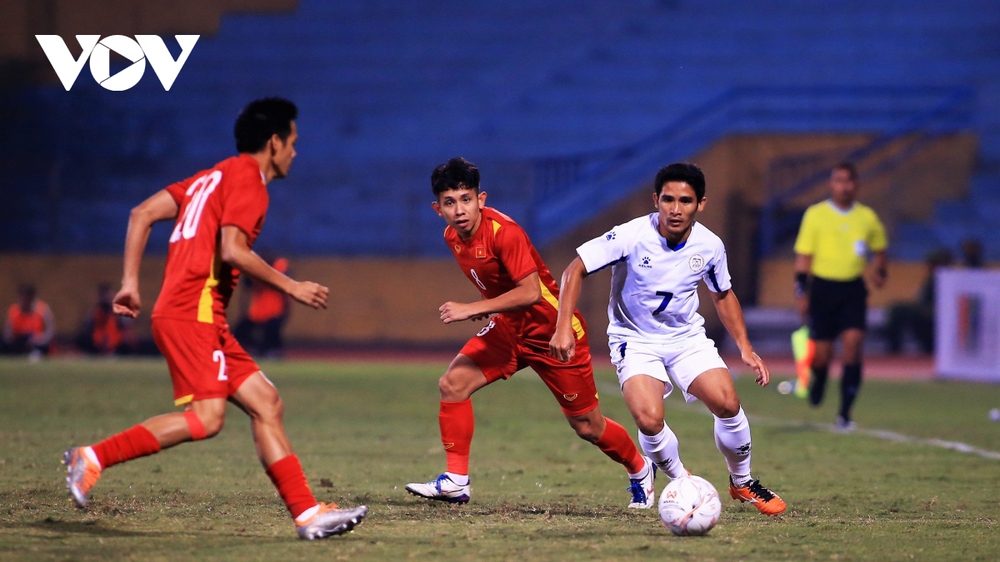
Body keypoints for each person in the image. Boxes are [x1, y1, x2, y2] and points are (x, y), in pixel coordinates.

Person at [61, 97, 366, 540]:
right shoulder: (249, 181)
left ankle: (307, 514)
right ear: (274, 141)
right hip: (193, 312)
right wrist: (291, 286)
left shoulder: (211, 176)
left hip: (201, 313)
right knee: (207, 419)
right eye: (293, 142)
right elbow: (232, 250)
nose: (296, 152)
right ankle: (91, 457)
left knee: (266, 402)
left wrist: (131, 281)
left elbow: (140, 213)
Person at [405, 157, 656, 508]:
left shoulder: (504, 232)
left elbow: (531, 292)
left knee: (587, 426)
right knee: (453, 384)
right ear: (437, 209)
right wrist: (490, 305)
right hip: (509, 330)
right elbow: (496, 283)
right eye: (450, 202)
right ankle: (457, 481)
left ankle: (640, 468)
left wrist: (473, 308)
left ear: (482, 199)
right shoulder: (453, 236)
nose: (459, 210)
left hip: (553, 333)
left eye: (466, 199)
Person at [550, 162, 787, 517]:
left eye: (686, 201)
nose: (676, 209)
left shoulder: (710, 246)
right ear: (656, 200)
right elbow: (575, 269)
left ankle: (743, 481)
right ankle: (682, 481)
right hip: (635, 339)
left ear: (701, 204)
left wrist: (745, 348)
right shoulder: (631, 235)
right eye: (668, 199)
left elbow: (723, 295)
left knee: (726, 402)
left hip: (685, 337)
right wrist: (562, 326)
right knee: (648, 418)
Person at [793, 161, 888, 431]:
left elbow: (879, 247)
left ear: (856, 184)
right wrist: (802, 292)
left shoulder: (866, 217)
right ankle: (819, 378)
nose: (843, 186)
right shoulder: (816, 214)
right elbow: (804, 256)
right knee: (821, 355)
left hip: (852, 290)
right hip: (822, 289)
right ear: (831, 184)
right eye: (838, 180)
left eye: (848, 181)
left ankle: (845, 413)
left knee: (853, 344)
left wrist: (880, 270)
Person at [885, 248, 952, 355]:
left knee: (899, 309)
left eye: (932, 263)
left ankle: (894, 346)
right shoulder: (932, 278)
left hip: (937, 312)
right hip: (926, 310)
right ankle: (893, 344)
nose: (928, 266)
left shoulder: (947, 279)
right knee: (898, 308)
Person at [234, 255, 290, 358]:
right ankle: (247, 350)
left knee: (271, 332)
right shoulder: (256, 271)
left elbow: (285, 278)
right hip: (258, 311)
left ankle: (272, 351)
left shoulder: (279, 269)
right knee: (240, 331)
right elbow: (246, 284)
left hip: (275, 310)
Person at [76, 283, 137, 355]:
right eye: (105, 296)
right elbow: (86, 330)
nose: (107, 299)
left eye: (109, 296)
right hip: (97, 346)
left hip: (117, 346)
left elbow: (128, 330)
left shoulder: (120, 313)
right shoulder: (94, 313)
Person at [2, 284, 55, 360]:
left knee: (41, 345)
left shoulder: (42, 310)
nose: (25, 300)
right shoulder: (14, 311)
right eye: (22, 297)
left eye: (27, 298)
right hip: (19, 342)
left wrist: (41, 339)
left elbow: (50, 331)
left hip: (37, 342)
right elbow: (7, 333)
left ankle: (35, 354)